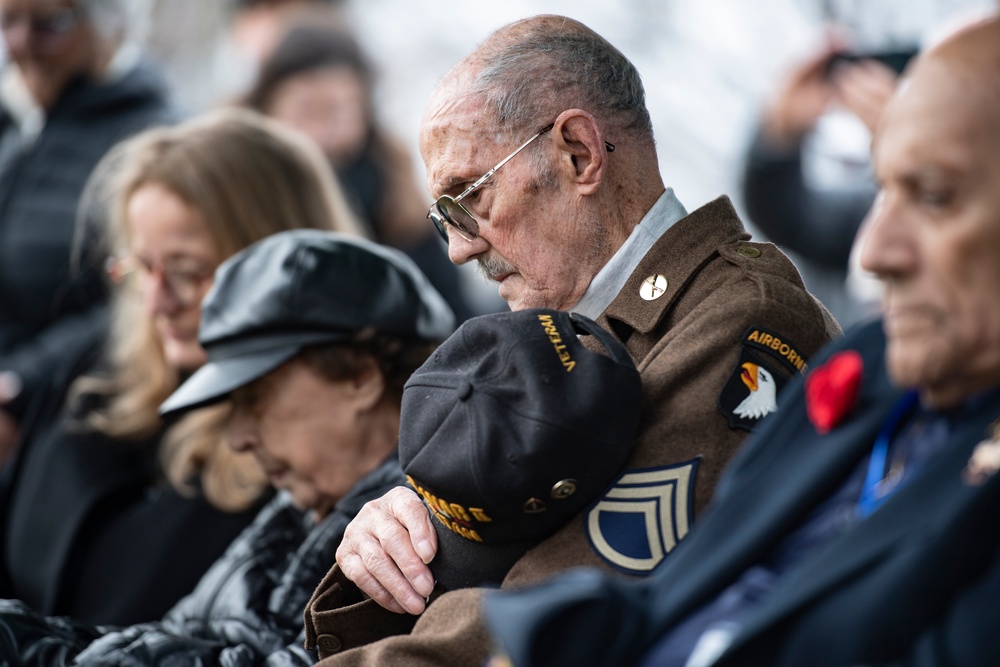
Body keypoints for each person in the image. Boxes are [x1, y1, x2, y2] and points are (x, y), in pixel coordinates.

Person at [300, 14, 840, 666]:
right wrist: (391, 537)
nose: (460, 246)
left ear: (579, 154)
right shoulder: (571, 335)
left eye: (468, 197)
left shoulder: (743, 327)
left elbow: (553, 620)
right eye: (442, 217)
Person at [484, 14, 1000, 667]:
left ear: (581, 155)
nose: (873, 251)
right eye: (881, 189)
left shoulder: (747, 319)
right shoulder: (869, 366)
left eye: (933, 197)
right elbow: (670, 597)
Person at [0, 230, 454, 666]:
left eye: (254, 398)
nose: (238, 438)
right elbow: (170, 638)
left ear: (360, 375)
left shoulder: (423, 531)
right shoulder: (291, 514)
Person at [0, 108, 359, 625]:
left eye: (189, 273)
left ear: (280, 263)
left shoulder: (314, 453)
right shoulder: (92, 373)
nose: (156, 301)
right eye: (142, 268)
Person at [0, 0, 176, 464]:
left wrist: (21, 383)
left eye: (47, 25)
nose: (21, 45)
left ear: (107, 23)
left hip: (76, 424)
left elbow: (141, 295)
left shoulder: (151, 137)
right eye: (8, 23)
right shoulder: (21, 126)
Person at [245, 22, 478, 322]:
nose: (328, 131)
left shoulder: (393, 191)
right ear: (267, 111)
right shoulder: (238, 192)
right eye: (309, 110)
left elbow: (452, 312)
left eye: (344, 110)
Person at [740, 38, 903, 327]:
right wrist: (782, 134)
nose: (871, 257)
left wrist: (911, 149)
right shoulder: (863, 209)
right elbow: (791, 218)